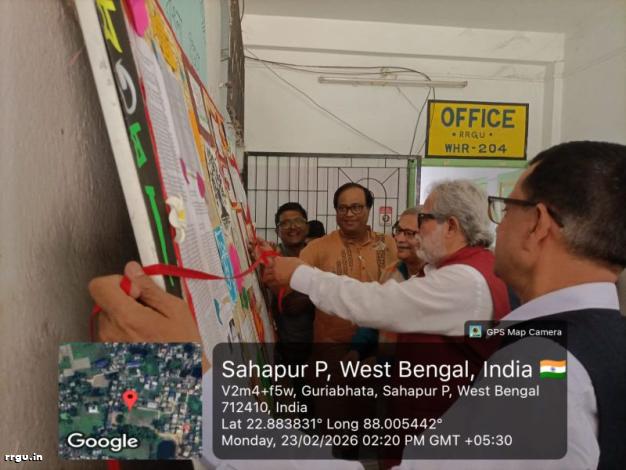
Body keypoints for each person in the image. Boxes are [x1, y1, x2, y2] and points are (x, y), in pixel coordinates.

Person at [265, 179, 510, 335]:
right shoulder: (470, 267)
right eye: (343, 208)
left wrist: (300, 274)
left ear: (451, 226)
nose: (416, 231)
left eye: (423, 219)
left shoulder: (462, 280)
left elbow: (376, 303)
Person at [296, 182, 397, 351]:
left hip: (379, 346)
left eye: (356, 207)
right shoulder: (317, 248)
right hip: (332, 349)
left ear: (368, 209)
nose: (349, 214)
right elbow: (293, 282)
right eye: (342, 208)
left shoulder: (388, 244)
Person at [349, 207, 425, 360]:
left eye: (409, 233)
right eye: (398, 230)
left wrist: (382, 364)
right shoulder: (390, 272)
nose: (399, 239)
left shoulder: (436, 279)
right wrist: (356, 351)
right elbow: (374, 319)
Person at [270, 202, 315, 346]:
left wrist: (309, 300)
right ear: (277, 231)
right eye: (285, 223)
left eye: (298, 221)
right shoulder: (272, 258)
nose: (293, 227)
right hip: (288, 342)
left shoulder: (319, 254)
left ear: (307, 227)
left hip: (322, 340)